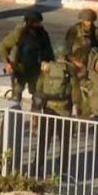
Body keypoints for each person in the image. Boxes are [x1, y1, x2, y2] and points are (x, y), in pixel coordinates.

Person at [33, 43, 80, 177]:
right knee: (64, 141)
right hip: (64, 109)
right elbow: (75, 90)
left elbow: (39, 87)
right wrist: (78, 107)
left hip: (48, 108)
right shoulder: (70, 69)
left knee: (44, 140)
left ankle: (36, 167)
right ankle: (63, 171)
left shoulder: (46, 68)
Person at [0, 11, 54, 104]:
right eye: (36, 22)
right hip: (20, 69)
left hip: (36, 70)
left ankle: (35, 113)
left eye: (39, 22)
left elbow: (49, 52)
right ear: (30, 22)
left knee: (37, 97)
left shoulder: (43, 35)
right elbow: (3, 47)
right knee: (16, 96)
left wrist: (50, 66)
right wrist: (7, 63)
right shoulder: (19, 33)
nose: (39, 24)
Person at [65, 8, 98, 118]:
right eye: (87, 21)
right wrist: (74, 61)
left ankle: (83, 116)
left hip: (88, 66)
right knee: (72, 92)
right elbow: (67, 49)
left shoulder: (97, 32)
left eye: (91, 21)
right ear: (82, 20)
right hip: (74, 65)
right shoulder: (74, 30)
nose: (89, 24)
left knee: (87, 93)